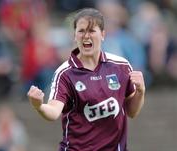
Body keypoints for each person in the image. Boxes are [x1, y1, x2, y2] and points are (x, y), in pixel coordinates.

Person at [27, 8, 145, 151]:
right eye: (81, 31)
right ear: (75, 36)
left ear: (102, 34)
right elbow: (53, 111)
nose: (86, 36)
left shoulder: (121, 66)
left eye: (91, 31)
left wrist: (140, 91)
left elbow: (132, 112)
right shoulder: (65, 73)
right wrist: (39, 106)